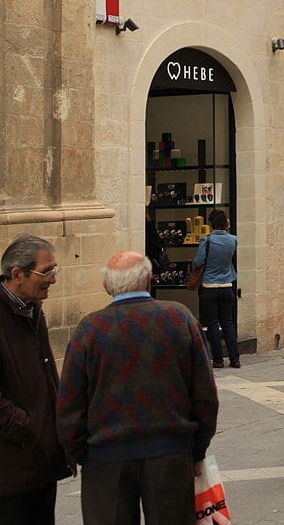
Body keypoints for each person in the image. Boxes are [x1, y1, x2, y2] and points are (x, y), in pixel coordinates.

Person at [57, 251, 218, 525]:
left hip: (106, 456)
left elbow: (70, 402)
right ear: (149, 280)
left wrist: (79, 453)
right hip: (169, 451)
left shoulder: (90, 329)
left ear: (106, 286)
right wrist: (197, 448)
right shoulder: (179, 317)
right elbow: (205, 393)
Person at [0, 234, 71, 525]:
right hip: (11, 469)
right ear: (17, 274)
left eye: (55, 270)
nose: (53, 279)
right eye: (47, 271)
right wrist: (28, 428)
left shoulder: (32, 310)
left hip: (41, 462)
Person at [193, 209, 241, 368]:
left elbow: (198, 262)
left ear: (210, 224)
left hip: (209, 286)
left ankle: (218, 359)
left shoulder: (206, 240)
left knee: (212, 323)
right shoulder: (233, 240)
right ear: (226, 223)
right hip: (227, 285)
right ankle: (235, 358)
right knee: (228, 323)